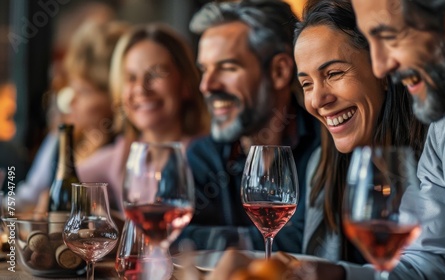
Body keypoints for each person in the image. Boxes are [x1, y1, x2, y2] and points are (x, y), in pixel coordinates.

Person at [175, 0, 321, 254]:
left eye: (228, 67)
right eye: (204, 70)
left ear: (279, 71)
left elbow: (303, 245)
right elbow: (174, 236)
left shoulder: (327, 149)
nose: (206, 86)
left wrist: (214, 241)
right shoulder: (203, 155)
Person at [293, 0, 427, 264]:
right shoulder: (321, 166)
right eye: (306, 84)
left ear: (383, 70)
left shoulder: (436, 157)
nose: (318, 100)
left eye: (334, 73)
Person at [77, 23, 210, 213]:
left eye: (155, 74)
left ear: (186, 84)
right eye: (131, 78)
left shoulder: (208, 157)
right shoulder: (121, 156)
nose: (141, 88)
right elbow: (67, 186)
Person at [15, 21, 130, 212]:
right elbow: (25, 200)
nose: (70, 100)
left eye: (84, 91)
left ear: (116, 97)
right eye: (72, 87)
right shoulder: (58, 141)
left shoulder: (127, 152)